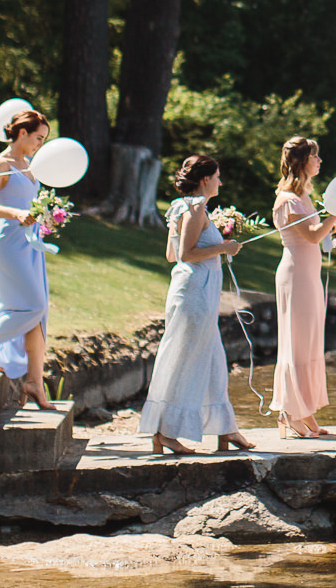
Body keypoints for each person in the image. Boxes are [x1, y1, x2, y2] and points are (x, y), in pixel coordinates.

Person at [138, 155, 256, 455]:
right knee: (184, 360)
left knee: (215, 360)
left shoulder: (182, 207)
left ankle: (226, 429)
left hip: (194, 290)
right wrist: (223, 247)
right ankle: (165, 431)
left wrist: (214, 244)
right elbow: (186, 254)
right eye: (217, 176)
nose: (221, 181)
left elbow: (170, 254)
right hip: (195, 292)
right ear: (205, 179)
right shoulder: (194, 207)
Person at [0, 108, 56, 408]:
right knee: (32, 305)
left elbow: (31, 202)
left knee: (39, 314)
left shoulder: (31, 164)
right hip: (9, 240)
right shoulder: (1, 163)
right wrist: (17, 213)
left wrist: (47, 217)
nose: (40, 144)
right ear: (21, 133)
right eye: (38, 138)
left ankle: (34, 381)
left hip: (32, 243)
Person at [269, 135, 336, 438]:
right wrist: (335, 213)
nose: (320, 160)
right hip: (295, 275)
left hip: (308, 275)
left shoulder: (303, 196)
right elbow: (311, 236)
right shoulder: (287, 199)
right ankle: (289, 411)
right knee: (296, 344)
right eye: (315, 156)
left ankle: (304, 410)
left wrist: (330, 222)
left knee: (309, 343)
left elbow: (317, 235)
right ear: (301, 162)